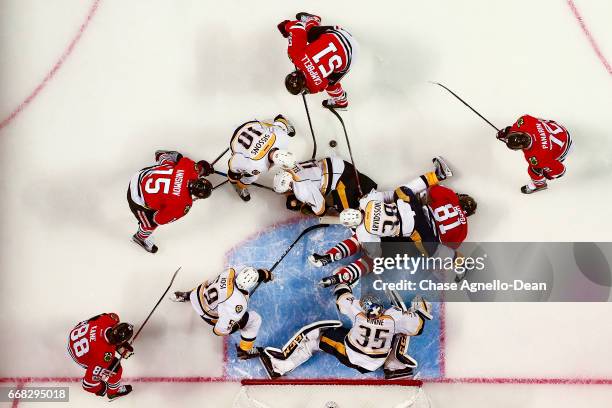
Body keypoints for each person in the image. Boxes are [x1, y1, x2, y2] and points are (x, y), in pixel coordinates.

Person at [258, 285, 432, 379]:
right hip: (377, 361)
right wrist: (418, 308)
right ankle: (395, 368)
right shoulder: (395, 317)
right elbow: (418, 327)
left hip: (352, 356)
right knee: (402, 331)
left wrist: (342, 283)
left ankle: (279, 366)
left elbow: (342, 297)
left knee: (315, 338)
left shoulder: (357, 311)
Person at [170, 266, 273, 359]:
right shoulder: (238, 302)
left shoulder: (230, 272)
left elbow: (244, 272)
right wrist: (231, 327)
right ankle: (245, 350)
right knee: (255, 319)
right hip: (208, 315)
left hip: (196, 296)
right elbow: (219, 330)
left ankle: (187, 295)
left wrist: (263, 274)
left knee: (210, 283)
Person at [128, 150, 213, 253]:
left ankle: (161, 155)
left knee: (170, 166)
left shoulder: (189, 166)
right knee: (150, 224)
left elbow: (195, 167)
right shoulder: (183, 205)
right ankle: (139, 238)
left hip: (142, 175)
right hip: (136, 197)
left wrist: (202, 168)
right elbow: (158, 219)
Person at [278, 12, 358, 109]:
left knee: (331, 84)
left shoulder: (316, 86)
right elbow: (298, 29)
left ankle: (342, 102)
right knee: (309, 33)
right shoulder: (295, 55)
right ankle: (313, 20)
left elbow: (315, 86)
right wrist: (286, 26)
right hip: (341, 34)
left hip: (353, 54)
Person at [272, 156, 377, 216]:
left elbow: (321, 209)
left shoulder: (301, 191)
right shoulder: (289, 167)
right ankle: (374, 195)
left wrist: (310, 206)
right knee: (367, 191)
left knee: (349, 216)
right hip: (339, 164)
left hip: (343, 180)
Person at [496, 115, 572, 194]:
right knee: (538, 122)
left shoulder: (537, 158)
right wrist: (508, 131)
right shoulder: (525, 120)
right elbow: (516, 129)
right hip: (560, 130)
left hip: (565, 147)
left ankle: (540, 185)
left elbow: (561, 171)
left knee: (534, 170)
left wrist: (548, 174)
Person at [227, 115, 296, 202]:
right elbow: (232, 162)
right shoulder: (257, 165)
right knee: (250, 177)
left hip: (251, 124)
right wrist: (235, 174)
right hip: (235, 141)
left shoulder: (282, 137)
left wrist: (281, 121)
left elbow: (278, 125)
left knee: (279, 127)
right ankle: (237, 185)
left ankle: (283, 120)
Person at [67, 313, 134, 401]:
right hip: (79, 357)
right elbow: (88, 385)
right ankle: (113, 392)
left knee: (95, 322)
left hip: (75, 335)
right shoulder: (105, 357)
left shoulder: (109, 319)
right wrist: (102, 388)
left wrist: (119, 345)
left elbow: (103, 335)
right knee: (116, 368)